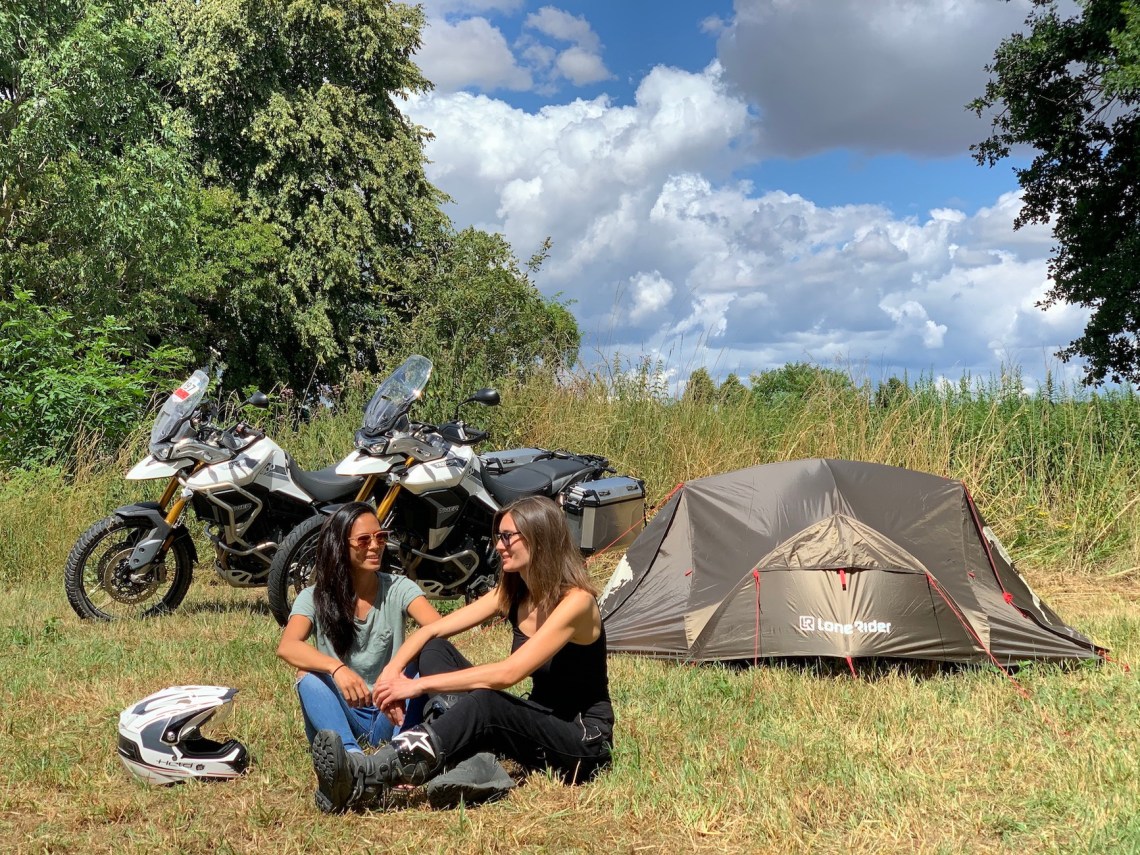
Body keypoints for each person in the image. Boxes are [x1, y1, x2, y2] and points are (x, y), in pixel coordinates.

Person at [309, 495, 614, 813]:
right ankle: (464, 754)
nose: (498, 546)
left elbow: (508, 673)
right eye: (498, 536)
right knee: (435, 649)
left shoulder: (577, 602)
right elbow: (430, 632)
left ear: (539, 537)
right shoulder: (514, 593)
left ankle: (367, 774)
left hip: (581, 742)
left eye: (507, 536)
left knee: (487, 700)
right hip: (534, 722)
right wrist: (392, 674)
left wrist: (416, 686)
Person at [276, 502, 440, 789]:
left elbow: (437, 629)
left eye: (381, 537)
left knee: (425, 659)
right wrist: (336, 668)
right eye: (364, 540)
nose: (375, 546)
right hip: (345, 710)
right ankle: (350, 759)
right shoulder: (314, 596)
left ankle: (401, 751)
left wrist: (398, 676)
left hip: (392, 709)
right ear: (340, 546)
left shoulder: (399, 588)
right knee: (307, 675)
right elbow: (288, 646)